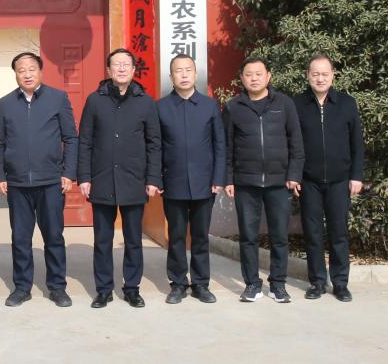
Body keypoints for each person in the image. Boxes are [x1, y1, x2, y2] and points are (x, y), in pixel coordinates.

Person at [77, 48, 161, 309]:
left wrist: (153, 178)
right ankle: (104, 289)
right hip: (102, 179)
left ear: (134, 70)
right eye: (117, 64)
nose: (121, 69)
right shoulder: (95, 100)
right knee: (102, 240)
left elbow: (154, 144)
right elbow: (85, 141)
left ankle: (132, 288)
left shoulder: (145, 102)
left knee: (133, 240)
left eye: (126, 64)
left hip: (134, 180)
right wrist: (84, 177)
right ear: (108, 70)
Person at [0, 52, 78, 308]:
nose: (27, 74)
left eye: (31, 69)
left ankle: (57, 287)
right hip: (17, 183)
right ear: (15, 74)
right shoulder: (6, 103)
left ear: (40, 71)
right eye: (21, 70)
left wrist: (68, 172)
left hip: (50, 181)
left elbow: (71, 138)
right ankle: (22, 287)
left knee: (54, 237)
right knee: (21, 238)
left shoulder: (57, 98)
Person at [224, 56, 305, 303]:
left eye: (259, 74)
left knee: (279, 236)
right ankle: (252, 284)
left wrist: (294, 174)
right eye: (249, 74)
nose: (254, 78)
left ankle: (278, 284)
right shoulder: (233, 107)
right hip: (245, 182)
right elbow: (227, 147)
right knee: (248, 237)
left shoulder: (284, 103)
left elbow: (296, 142)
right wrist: (228, 179)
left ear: (269, 76)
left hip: (279, 183)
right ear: (242, 78)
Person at [152, 54, 226, 305]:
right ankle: (178, 283)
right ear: (171, 76)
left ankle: (201, 284)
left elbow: (219, 144)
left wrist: (218, 178)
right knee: (176, 236)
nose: (183, 75)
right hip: (173, 183)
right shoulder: (161, 107)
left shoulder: (209, 106)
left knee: (201, 236)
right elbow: (156, 147)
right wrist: (157, 179)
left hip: (204, 183)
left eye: (188, 70)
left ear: (195, 74)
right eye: (178, 71)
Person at [294, 55, 365, 302]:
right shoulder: (298, 104)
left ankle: (340, 283)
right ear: (308, 75)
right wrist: (294, 176)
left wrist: (356, 176)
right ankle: (317, 282)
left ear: (333, 75)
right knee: (312, 233)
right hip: (309, 181)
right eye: (315, 74)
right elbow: (292, 144)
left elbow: (357, 143)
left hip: (339, 180)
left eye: (325, 74)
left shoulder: (346, 103)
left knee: (339, 233)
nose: (320, 78)